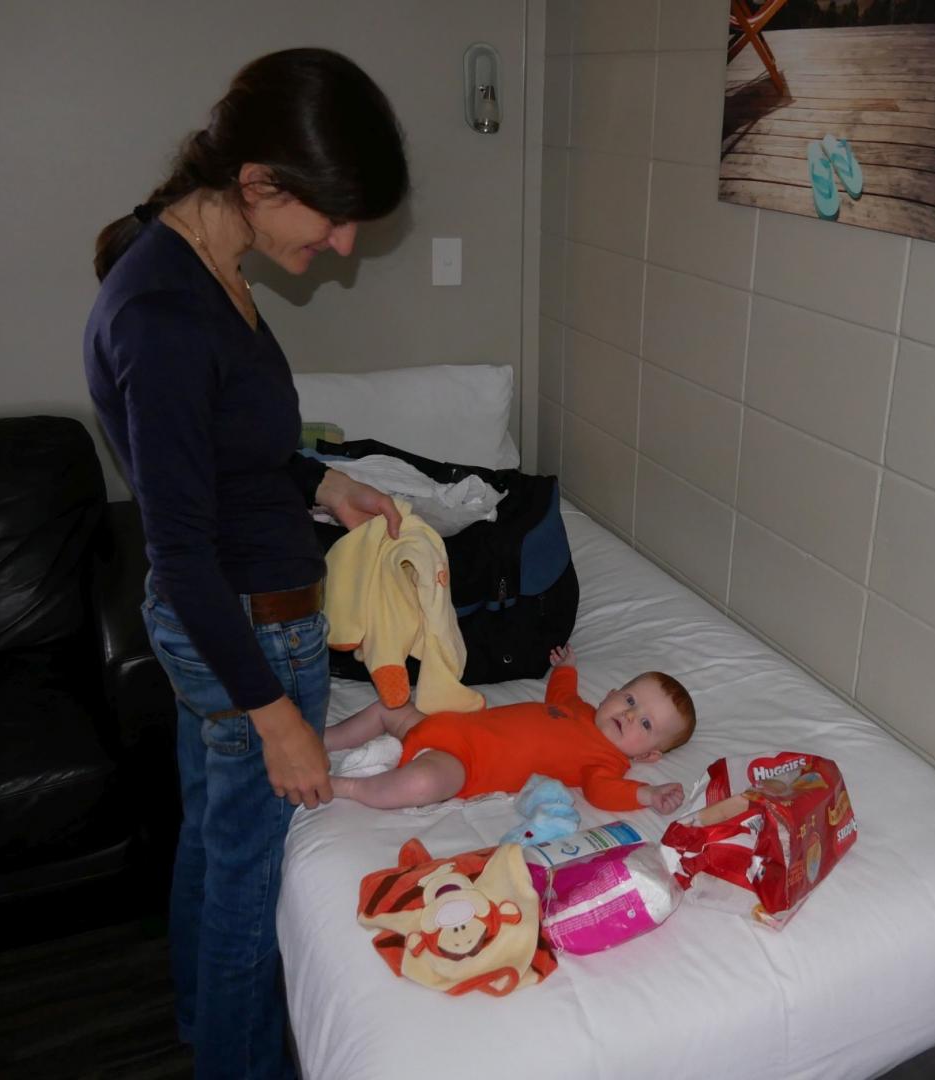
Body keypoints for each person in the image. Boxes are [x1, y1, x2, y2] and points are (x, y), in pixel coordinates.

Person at [83, 48, 409, 1080]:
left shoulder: (193, 262)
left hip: (231, 625)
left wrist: (323, 482)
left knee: (213, 844)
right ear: (260, 182)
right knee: (248, 889)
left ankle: (197, 1021)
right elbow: (180, 552)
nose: (344, 244)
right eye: (335, 217)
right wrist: (279, 720)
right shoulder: (166, 316)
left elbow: (224, 450)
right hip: (245, 631)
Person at [326, 645, 695, 813]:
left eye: (645, 724)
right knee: (389, 708)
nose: (629, 715)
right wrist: (566, 667)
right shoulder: (578, 709)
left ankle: (346, 786)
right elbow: (561, 692)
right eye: (630, 700)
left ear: (648, 755)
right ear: (611, 694)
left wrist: (647, 794)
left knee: (422, 784)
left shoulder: (606, 762)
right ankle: (325, 739)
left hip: (462, 764)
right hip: (447, 726)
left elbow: (602, 793)